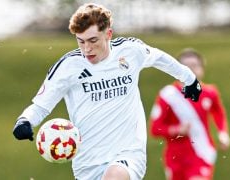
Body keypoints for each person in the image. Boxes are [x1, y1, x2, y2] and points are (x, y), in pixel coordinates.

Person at [13, 3, 202, 180]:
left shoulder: (130, 51)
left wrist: (189, 78)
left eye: (93, 40)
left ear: (108, 34)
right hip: (87, 163)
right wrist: (25, 120)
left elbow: (159, 58)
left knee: (115, 175)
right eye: (81, 42)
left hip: (128, 154)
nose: (87, 49)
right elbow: (40, 106)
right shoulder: (68, 67)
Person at [149, 48, 230, 180]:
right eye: (186, 66)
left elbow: (218, 113)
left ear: (202, 69)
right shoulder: (168, 95)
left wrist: (223, 133)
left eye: (194, 66)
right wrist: (176, 130)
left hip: (201, 153)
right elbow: (155, 129)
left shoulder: (210, 93)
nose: (191, 70)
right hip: (175, 157)